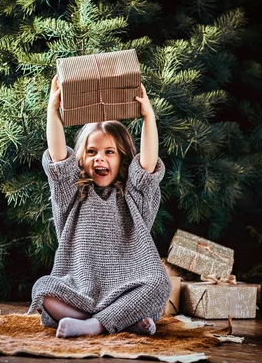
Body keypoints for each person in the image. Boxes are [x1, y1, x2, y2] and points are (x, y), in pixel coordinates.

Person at [27, 74, 171, 338]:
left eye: (109, 152)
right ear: (82, 158)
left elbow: (148, 165)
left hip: (127, 287)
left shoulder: (135, 195)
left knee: (160, 283)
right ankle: (120, 322)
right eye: (92, 152)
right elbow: (58, 158)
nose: (99, 158)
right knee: (42, 289)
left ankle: (93, 325)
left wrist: (148, 117)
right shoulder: (72, 192)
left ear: (123, 158)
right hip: (80, 289)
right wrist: (52, 109)